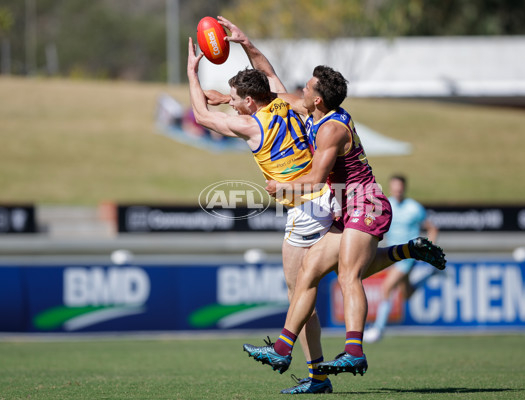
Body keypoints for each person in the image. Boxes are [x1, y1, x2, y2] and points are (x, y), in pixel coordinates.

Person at [212, 16, 446, 393]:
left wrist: (283, 190)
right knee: (309, 275)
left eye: (306, 87)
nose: (299, 90)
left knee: (349, 275)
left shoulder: (332, 129)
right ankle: (287, 351)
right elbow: (269, 82)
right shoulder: (309, 110)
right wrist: (245, 44)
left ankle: (354, 351)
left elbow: (317, 180)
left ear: (317, 99)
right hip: (344, 207)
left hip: (366, 204)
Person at [187, 31, 340, 394]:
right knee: (319, 284)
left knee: (300, 294)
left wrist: (193, 72)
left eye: (237, 101)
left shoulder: (252, 125)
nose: (233, 106)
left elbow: (200, 115)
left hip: (304, 208)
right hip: (327, 197)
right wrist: (244, 42)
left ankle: (305, 366)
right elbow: (267, 72)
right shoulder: (285, 102)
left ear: (252, 102)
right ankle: (315, 373)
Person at [364, 174, 440, 343]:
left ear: (404, 188)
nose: (398, 191)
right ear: (391, 188)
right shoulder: (386, 204)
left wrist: (429, 250)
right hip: (391, 254)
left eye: (400, 188)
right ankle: (431, 275)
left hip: (408, 255)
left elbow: (432, 229)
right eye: (395, 187)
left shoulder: (414, 208)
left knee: (387, 287)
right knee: (407, 294)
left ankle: (378, 329)